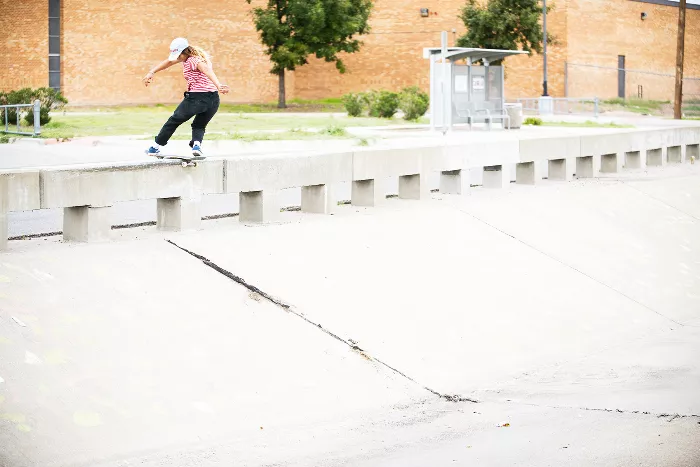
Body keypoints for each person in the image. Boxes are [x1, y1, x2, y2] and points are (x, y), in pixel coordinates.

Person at [142, 38, 229, 159]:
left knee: (173, 121)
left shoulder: (194, 60)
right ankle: (197, 146)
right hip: (213, 100)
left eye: (179, 56)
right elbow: (169, 62)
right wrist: (152, 72)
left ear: (185, 52)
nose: (178, 58)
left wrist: (219, 84)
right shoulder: (191, 58)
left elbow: (206, 70)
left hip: (197, 98)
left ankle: (155, 147)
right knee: (199, 125)